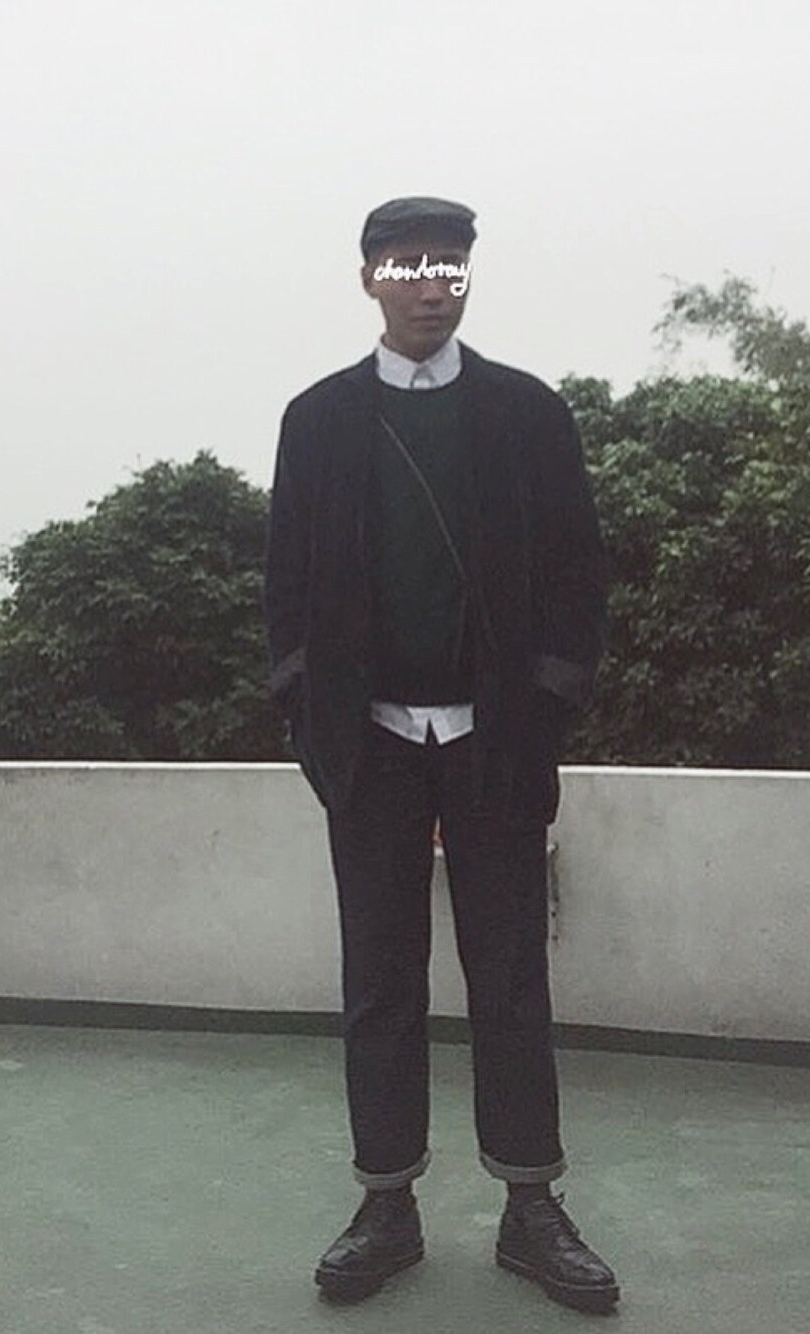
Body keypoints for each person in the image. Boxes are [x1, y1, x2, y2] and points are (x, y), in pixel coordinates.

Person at [262, 195, 618, 1313]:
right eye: (410, 264)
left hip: (496, 743)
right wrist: (311, 718)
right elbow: (285, 587)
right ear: (369, 277)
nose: (431, 284)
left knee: (510, 976)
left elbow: (578, 574)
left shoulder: (527, 413)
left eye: (450, 264)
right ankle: (387, 1205)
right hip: (369, 745)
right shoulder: (318, 420)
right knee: (379, 982)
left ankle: (531, 1206)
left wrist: (544, 707)